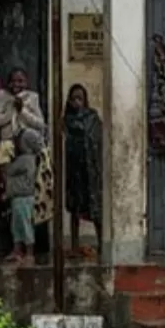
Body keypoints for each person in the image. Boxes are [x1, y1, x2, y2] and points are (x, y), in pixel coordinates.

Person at [64, 84, 103, 246]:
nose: (77, 102)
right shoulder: (67, 119)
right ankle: (74, 245)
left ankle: (101, 242)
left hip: (91, 168)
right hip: (74, 169)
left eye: (80, 98)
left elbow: (96, 136)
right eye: (73, 98)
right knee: (75, 208)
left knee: (95, 208)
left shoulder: (92, 117)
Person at [5, 128, 44, 266]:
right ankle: (17, 250)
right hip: (18, 198)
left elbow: (10, 170)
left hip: (24, 198)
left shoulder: (26, 159)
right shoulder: (28, 158)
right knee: (16, 226)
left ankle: (29, 252)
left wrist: (8, 159)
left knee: (25, 225)